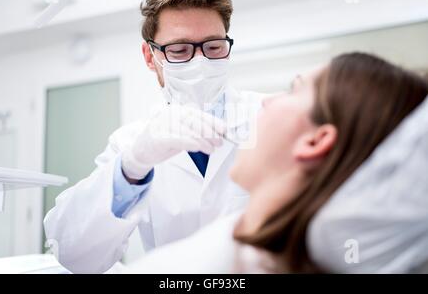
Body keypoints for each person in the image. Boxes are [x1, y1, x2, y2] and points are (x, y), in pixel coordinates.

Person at [116, 52, 428, 274]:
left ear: (315, 141)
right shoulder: (241, 239)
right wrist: (131, 165)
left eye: (295, 90)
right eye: (181, 50)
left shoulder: (226, 264)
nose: (267, 100)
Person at [44, 0, 263, 274]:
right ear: (150, 57)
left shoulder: (269, 116)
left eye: (213, 47)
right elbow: (73, 254)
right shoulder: (131, 144)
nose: (200, 62)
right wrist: (132, 167)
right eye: (179, 50)